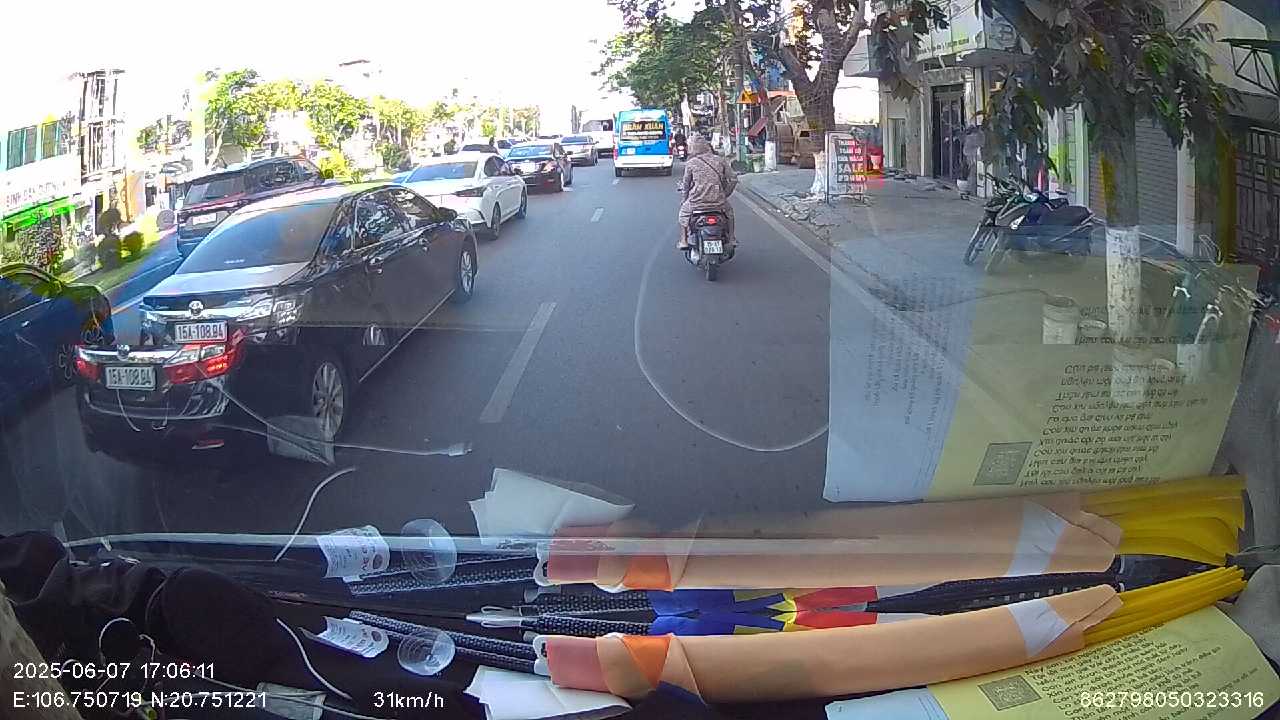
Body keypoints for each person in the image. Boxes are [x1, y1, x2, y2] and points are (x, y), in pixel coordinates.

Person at [677, 136, 737, 251]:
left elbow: (686, 184)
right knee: (729, 214)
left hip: (696, 202)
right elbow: (733, 179)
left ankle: (684, 241)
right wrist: (725, 194)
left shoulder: (691, 163)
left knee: (683, 214)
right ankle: (731, 238)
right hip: (718, 202)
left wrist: (684, 199)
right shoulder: (720, 160)